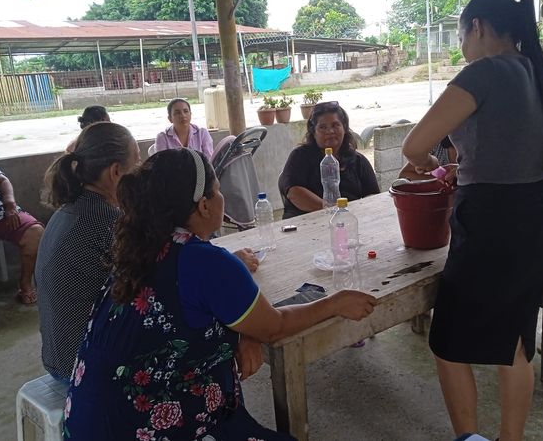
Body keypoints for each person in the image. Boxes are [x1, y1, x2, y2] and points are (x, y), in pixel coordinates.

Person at [62, 148, 376, 440]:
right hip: (148, 428)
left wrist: (243, 332)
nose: (222, 197)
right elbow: (275, 326)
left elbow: (184, 308)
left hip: (86, 421)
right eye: (218, 190)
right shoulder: (208, 263)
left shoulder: (141, 248)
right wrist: (335, 302)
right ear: (204, 205)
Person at [401, 0, 543, 440]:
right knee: (515, 341)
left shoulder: (484, 72)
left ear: (477, 27)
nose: (462, 49)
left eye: (460, 37)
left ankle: (468, 438)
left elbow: (414, 146)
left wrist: (430, 163)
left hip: (493, 224)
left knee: (448, 343)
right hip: (538, 216)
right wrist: (472, 166)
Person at [36, 122, 141, 383]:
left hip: (59, 358)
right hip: (82, 369)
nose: (140, 170)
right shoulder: (107, 220)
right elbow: (153, 282)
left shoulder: (70, 209)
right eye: (137, 162)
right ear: (115, 172)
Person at [278, 101, 380, 219]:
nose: (330, 131)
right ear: (313, 132)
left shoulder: (358, 160)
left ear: (344, 128)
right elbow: (294, 193)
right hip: (305, 222)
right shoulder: (300, 156)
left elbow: (373, 196)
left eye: (335, 125)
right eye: (322, 127)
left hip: (347, 221)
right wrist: (331, 210)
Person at [0, 170, 44, 304]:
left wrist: (10, 204)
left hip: (1, 213)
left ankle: (25, 283)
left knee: (35, 233)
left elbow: (2, 180)